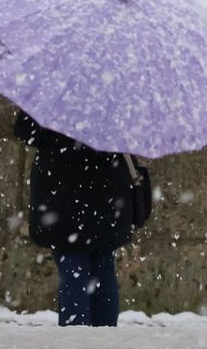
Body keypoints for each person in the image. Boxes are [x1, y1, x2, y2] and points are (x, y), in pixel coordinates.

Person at [14, 110, 137, 327]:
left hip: (62, 188)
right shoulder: (117, 88)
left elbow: (27, 132)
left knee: (74, 272)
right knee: (103, 268)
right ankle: (105, 338)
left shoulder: (55, 86)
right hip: (107, 186)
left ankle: (77, 341)